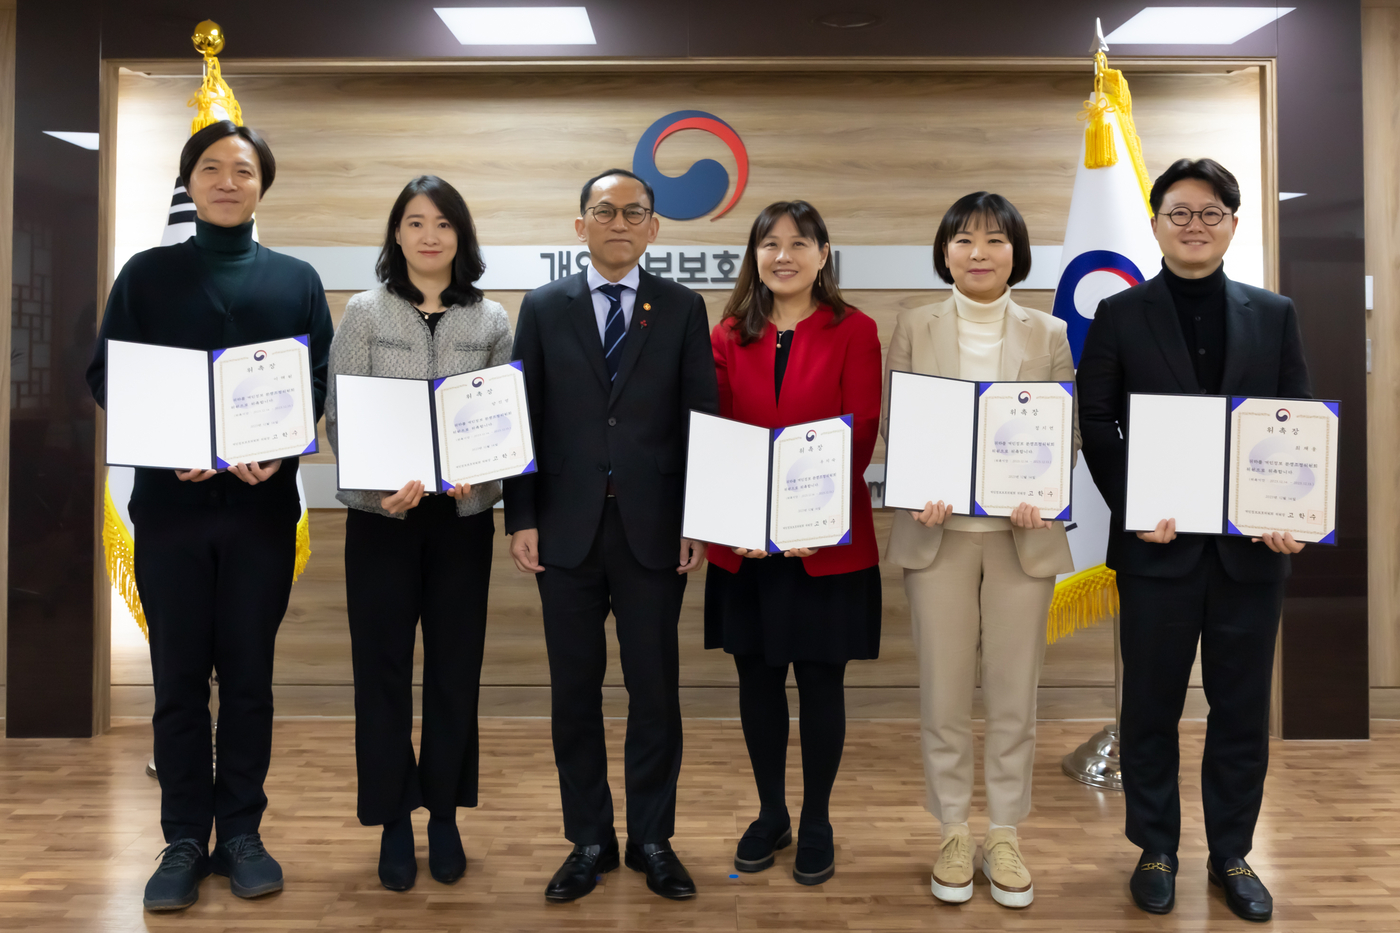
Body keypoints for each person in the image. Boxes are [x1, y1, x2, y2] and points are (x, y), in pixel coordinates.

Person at [84, 120, 334, 911]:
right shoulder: (146, 274)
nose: (229, 181)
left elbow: (317, 382)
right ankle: (185, 837)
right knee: (179, 680)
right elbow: (106, 375)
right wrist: (165, 446)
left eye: (245, 170)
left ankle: (245, 832)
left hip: (261, 512)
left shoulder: (295, 279)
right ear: (190, 182)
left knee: (251, 679)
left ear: (264, 185)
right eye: (213, 168)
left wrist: (284, 449)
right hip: (171, 511)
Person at [1077, 158, 1311, 923]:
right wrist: (1135, 502)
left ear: (1233, 225)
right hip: (1157, 547)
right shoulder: (1120, 313)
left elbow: (1295, 421)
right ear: (1155, 224)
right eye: (1179, 212)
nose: (1194, 225)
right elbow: (1098, 419)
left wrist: (1291, 510)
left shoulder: (1273, 312)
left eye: (1210, 213)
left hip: (1250, 552)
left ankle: (1232, 853)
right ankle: (1156, 848)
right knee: (1151, 706)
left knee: (1240, 709)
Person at [504, 168, 719, 903]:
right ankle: (588, 838)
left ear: (654, 227)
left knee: (655, 690)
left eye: (634, 212)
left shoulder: (684, 307)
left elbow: (701, 419)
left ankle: (652, 837)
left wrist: (700, 520)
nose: (619, 222)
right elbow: (521, 418)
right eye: (605, 211)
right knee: (574, 692)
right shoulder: (542, 306)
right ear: (580, 225)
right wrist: (521, 516)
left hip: (655, 534)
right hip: (563, 533)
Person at [881, 192, 1077, 909]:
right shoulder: (914, 324)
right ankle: (952, 829)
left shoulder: (1049, 331)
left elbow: (1065, 432)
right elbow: (898, 426)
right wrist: (913, 488)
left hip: (1021, 536)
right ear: (945, 252)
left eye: (994, 240)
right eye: (963, 241)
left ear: (1015, 252)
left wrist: (1043, 490)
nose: (979, 253)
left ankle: (1005, 831)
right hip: (938, 535)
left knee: (1013, 691)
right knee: (942, 689)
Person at [323, 176, 512, 892]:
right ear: (395, 235)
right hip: (383, 521)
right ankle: (395, 816)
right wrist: (379, 487)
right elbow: (343, 416)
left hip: (461, 522)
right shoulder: (365, 315)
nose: (429, 235)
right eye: (414, 222)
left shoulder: (492, 318)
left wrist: (482, 474)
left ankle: (443, 812)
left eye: (443, 223)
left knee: (455, 669)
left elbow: (501, 419)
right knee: (382, 673)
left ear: (461, 237)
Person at [705, 200, 882, 886]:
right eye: (769, 244)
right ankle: (771, 809)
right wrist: (743, 516)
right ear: (754, 256)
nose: (783, 255)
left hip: (823, 544)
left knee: (819, 678)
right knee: (756, 677)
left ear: (823, 253)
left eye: (799, 243)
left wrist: (806, 519)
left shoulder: (854, 328)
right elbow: (717, 428)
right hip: (745, 545)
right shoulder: (728, 334)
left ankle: (817, 817)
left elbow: (859, 427)